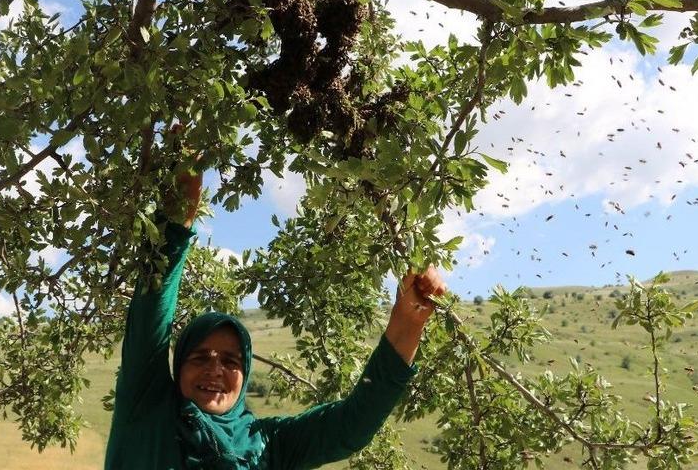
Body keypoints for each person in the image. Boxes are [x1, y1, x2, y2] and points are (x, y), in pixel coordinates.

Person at [104, 167, 447, 469]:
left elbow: (352, 425)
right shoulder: (147, 410)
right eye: (199, 357)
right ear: (178, 367)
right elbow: (152, 310)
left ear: (246, 373)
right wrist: (179, 221)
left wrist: (408, 322)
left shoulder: (267, 445)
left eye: (231, 360)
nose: (215, 369)